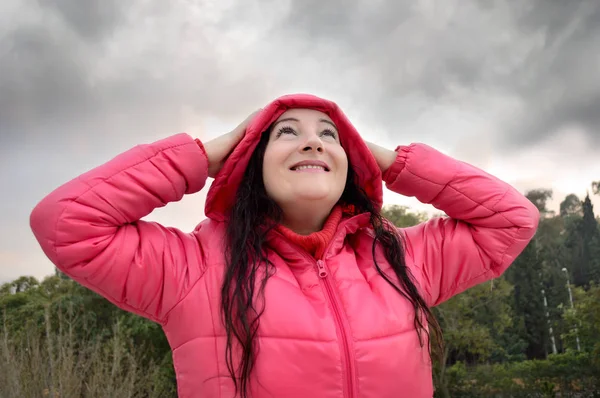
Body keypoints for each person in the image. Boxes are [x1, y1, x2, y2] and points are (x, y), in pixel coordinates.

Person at [30, 93, 539, 398]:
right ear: (251, 163)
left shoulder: (403, 258)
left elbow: (511, 220)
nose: (314, 142)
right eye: (286, 133)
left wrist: (387, 160)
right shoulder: (191, 267)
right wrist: (207, 154)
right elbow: (66, 223)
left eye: (331, 136)